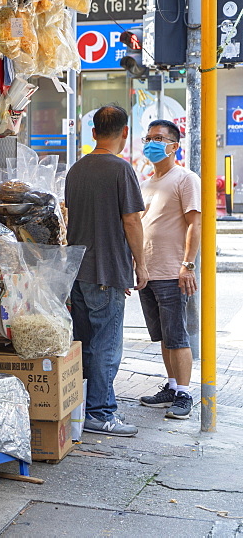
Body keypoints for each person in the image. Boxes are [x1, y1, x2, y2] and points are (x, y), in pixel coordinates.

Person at [65, 104, 147, 437]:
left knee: (84, 342)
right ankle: (100, 412)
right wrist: (141, 264)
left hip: (77, 271)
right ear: (125, 133)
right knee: (106, 345)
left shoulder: (76, 170)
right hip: (106, 270)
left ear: (94, 132)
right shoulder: (120, 170)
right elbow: (132, 220)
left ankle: (85, 406)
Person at [136, 119, 201, 419]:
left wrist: (187, 265)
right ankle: (172, 387)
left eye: (159, 138)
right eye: (149, 137)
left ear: (174, 146)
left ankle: (185, 394)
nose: (152, 143)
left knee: (177, 337)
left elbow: (195, 224)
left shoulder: (185, 179)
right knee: (163, 336)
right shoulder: (146, 181)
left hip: (173, 273)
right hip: (148, 272)